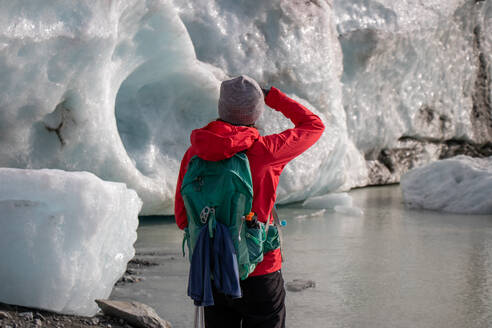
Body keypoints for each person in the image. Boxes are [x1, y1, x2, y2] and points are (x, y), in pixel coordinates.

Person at [175, 75, 324, 328]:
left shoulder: (195, 152)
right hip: (260, 270)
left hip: (213, 270)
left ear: (222, 108)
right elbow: (313, 125)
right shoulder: (267, 152)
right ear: (255, 112)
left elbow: (182, 218)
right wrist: (273, 97)